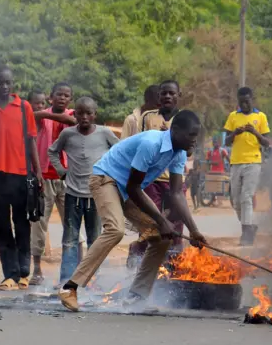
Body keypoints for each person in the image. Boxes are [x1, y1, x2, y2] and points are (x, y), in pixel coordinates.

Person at [59, 110, 207, 311]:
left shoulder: (179, 153)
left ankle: (136, 297)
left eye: (196, 136)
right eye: (191, 135)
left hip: (128, 188)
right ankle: (70, 287)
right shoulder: (151, 143)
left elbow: (176, 194)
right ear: (176, 130)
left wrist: (194, 230)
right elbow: (133, 188)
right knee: (115, 230)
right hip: (106, 179)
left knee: (162, 238)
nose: (194, 141)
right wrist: (161, 220)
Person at [0, 66, 42, 291]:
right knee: (2, 227)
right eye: (0, 82)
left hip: (22, 174)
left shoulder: (24, 107)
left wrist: (38, 171)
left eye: (8, 83)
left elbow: (32, 140)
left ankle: (24, 273)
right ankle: (9, 275)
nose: (5, 86)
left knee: (22, 225)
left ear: (13, 84)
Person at [48, 97, 119, 283]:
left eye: (89, 113)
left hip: (96, 195)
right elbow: (52, 151)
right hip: (72, 194)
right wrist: (61, 171)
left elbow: (119, 150)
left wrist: (110, 172)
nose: (85, 117)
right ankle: (66, 281)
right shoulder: (68, 134)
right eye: (80, 113)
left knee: (95, 241)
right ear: (75, 114)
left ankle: (92, 281)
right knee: (69, 240)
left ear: (95, 114)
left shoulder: (104, 133)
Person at [126, 80, 186, 268]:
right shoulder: (147, 117)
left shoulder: (185, 119)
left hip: (174, 179)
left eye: (171, 93)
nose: (167, 96)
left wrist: (173, 137)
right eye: (164, 93)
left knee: (176, 223)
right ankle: (140, 257)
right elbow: (143, 144)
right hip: (151, 179)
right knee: (151, 223)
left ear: (179, 95)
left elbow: (189, 150)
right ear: (158, 96)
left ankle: (173, 267)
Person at [29, 82, 77, 285]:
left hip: (68, 179)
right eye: (59, 95)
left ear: (70, 100)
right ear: (51, 97)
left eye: (66, 95)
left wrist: (65, 117)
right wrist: (57, 116)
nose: (62, 98)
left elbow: (75, 120)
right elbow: (34, 116)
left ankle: (73, 272)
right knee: (39, 224)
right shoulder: (42, 115)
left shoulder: (75, 115)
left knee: (72, 225)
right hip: (44, 178)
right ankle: (37, 270)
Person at [223, 87, 271, 246]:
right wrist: (234, 133)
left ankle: (246, 234)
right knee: (236, 201)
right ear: (238, 101)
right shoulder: (232, 117)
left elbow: (266, 142)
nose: (244, 104)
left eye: (247, 101)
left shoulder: (260, 116)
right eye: (241, 101)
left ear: (252, 99)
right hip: (235, 162)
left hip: (254, 161)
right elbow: (226, 141)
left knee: (246, 197)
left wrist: (254, 132)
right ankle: (249, 226)